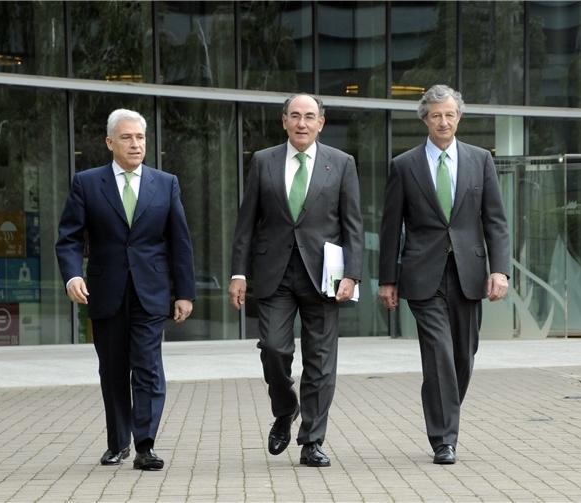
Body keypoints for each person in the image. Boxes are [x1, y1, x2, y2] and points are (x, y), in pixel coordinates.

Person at [56, 109, 196, 470]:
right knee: (113, 368)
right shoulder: (87, 183)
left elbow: (179, 242)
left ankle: (145, 445)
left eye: (140, 138)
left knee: (147, 367)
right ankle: (117, 442)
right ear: (110, 143)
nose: (135, 145)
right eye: (127, 138)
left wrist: (184, 292)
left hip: (150, 291)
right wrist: (73, 276)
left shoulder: (166, 183)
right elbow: (68, 238)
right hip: (105, 291)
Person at [229, 93, 364, 468]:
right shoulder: (262, 161)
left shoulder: (341, 163)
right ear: (284, 121)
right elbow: (246, 223)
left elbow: (353, 225)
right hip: (275, 272)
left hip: (324, 276)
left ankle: (312, 441)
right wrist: (238, 273)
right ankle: (286, 407)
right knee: (273, 347)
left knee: (321, 360)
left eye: (309, 116)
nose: (302, 123)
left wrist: (352, 275)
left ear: (321, 122)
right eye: (295, 116)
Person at [378, 85, 510, 465]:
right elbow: (391, 228)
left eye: (449, 114)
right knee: (438, 352)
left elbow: (496, 220)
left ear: (459, 117)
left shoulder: (480, 159)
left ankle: (444, 412)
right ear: (425, 119)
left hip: (469, 272)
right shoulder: (404, 165)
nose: (443, 121)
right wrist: (388, 279)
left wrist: (499, 269)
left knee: (462, 357)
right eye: (436, 115)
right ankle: (444, 439)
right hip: (423, 275)